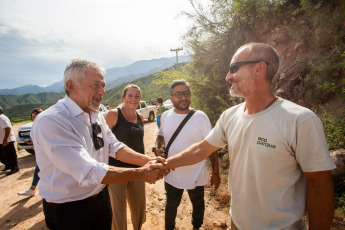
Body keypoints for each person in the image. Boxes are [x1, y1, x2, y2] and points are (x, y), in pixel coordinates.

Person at [154, 43, 336, 230]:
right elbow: (202, 149)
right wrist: (165, 164)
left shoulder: (300, 120)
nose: (228, 76)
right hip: (237, 224)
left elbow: (319, 186)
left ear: (259, 68)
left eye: (233, 68)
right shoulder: (229, 116)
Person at [31, 59, 168, 230]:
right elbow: (87, 171)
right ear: (71, 86)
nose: (103, 92)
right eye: (96, 85)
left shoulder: (94, 114)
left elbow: (113, 146)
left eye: (103, 86)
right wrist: (141, 173)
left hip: (101, 199)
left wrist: (147, 160)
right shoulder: (52, 121)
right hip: (70, 209)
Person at [153, 79, 220, 230]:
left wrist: (216, 172)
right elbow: (161, 136)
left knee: (198, 204)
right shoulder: (165, 116)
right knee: (171, 206)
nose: (183, 97)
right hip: (172, 173)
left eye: (186, 93)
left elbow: (212, 146)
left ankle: (196, 227)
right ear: (171, 98)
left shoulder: (200, 117)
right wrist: (158, 148)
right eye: (179, 94)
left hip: (196, 173)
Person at [104, 84, 146, 230]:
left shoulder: (140, 117)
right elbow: (102, 144)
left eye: (137, 96)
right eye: (130, 95)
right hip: (116, 171)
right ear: (123, 97)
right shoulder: (113, 115)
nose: (133, 99)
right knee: (118, 211)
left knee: (139, 208)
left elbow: (139, 144)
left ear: (140, 99)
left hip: (138, 171)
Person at [18, 108, 44, 196]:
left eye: (35, 116)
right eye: (33, 117)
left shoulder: (45, 125)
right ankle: (32, 188)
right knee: (38, 169)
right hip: (41, 153)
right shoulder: (36, 125)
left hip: (46, 153)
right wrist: (31, 141)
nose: (34, 118)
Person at [0, 106, 19, 175]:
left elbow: (7, 128)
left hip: (7, 140)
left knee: (9, 155)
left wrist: (5, 139)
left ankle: (14, 167)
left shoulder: (1, 118)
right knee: (3, 155)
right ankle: (7, 165)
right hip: (2, 140)